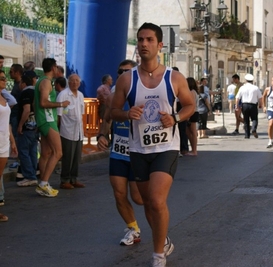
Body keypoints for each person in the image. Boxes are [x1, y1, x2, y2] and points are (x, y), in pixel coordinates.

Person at [111, 22, 195, 267]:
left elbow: (190, 105)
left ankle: (158, 255)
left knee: (157, 200)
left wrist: (176, 118)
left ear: (160, 45)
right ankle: (164, 239)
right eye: (140, 39)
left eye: (149, 39)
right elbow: (112, 111)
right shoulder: (127, 80)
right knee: (147, 203)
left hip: (166, 148)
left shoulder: (174, 77)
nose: (143, 44)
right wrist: (127, 114)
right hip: (138, 149)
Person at [97, 59, 143, 246]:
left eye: (128, 71)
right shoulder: (112, 95)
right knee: (119, 193)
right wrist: (102, 134)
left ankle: (158, 216)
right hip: (118, 151)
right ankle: (133, 228)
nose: (123, 74)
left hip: (138, 153)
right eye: (120, 71)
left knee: (139, 197)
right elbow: (107, 119)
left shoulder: (143, 93)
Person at [34, 58, 70, 197]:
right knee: (58, 152)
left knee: (45, 153)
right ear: (53, 68)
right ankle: (43, 183)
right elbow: (43, 102)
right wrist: (61, 104)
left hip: (44, 120)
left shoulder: (41, 81)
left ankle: (44, 183)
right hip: (48, 120)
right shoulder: (46, 82)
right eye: (56, 67)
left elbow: (35, 102)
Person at [56, 74, 85, 189]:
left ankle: (74, 178)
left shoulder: (81, 95)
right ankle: (65, 180)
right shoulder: (63, 95)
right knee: (68, 156)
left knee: (77, 157)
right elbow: (59, 114)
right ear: (68, 82)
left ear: (80, 83)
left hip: (78, 131)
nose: (74, 83)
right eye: (72, 81)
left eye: (77, 81)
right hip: (67, 131)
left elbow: (82, 113)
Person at [16, 73, 39, 187]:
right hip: (35, 127)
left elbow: (26, 110)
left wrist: (20, 125)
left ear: (24, 83)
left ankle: (29, 176)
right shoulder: (37, 92)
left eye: (20, 83)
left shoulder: (25, 92)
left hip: (27, 127)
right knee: (32, 152)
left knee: (24, 152)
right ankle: (33, 174)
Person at [0, 70, 18, 221]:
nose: (4, 80)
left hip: (4, 142)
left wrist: (12, 141)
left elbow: (7, 124)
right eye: (1, 79)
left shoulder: (4, 98)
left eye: (4, 78)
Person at [235, 74, 263, 139]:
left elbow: (237, 98)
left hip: (244, 105)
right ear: (252, 80)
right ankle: (253, 129)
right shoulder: (255, 88)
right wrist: (260, 104)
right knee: (254, 119)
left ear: (246, 80)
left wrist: (237, 106)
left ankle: (247, 135)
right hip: (253, 105)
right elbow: (260, 97)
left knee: (246, 120)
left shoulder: (242, 88)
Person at [185, 77, 199, 156]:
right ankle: (193, 149)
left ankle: (194, 150)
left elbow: (192, 105)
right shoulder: (193, 92)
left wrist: (188, 115)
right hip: (193, 112)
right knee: (188, 131)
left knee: (193, 132)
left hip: (193, 113)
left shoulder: (192, 92)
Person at [97, 74, 113, 140]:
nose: (112, 81)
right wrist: (105, 99)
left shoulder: (109, 88)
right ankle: (104, 138)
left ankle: (107, 139)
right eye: (111, 79)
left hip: (108, 107)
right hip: (104, 107)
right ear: (107, 80)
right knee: (106, 122)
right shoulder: (103, 87)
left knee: (108, 122)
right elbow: (99, 91)